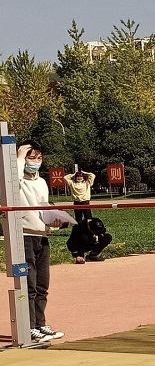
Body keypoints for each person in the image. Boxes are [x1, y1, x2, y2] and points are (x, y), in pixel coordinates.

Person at [17, 141, 65, 343]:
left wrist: (54, 221)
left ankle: (40, 323)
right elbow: (12, 180)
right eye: (31, 157)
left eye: (39, 158)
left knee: (42, 285)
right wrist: (19, 157)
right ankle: (28, 327)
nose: (35, 162)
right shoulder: (16, 180)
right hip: (25, 235)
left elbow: (43, 209)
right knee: (29, 285)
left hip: (42, 235)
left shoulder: (42, 182)